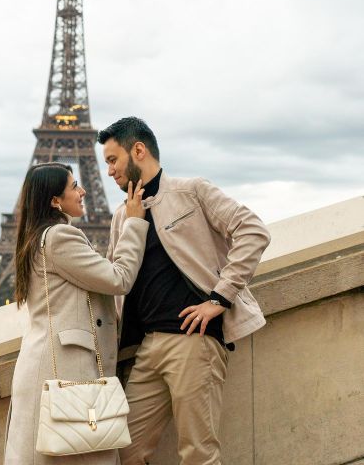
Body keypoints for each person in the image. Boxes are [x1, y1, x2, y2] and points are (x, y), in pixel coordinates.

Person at [97, 117, 271, 465]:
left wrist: (219, 298)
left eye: (113, 160)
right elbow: (115, 280)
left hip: (194, 341)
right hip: (147, 347)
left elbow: (252, 230)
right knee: (124, 452)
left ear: (139, 151)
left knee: (197, 454)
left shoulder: (191, 191)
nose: (110, 171)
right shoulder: (121, 217)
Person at [4, 162, 148, 465]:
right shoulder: (59, 236)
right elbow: (118, 279)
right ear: (56, 200)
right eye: (74, 186)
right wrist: (133, 223)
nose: (83, 191)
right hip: (67, 373)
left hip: (46, 368)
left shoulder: (35, 237)